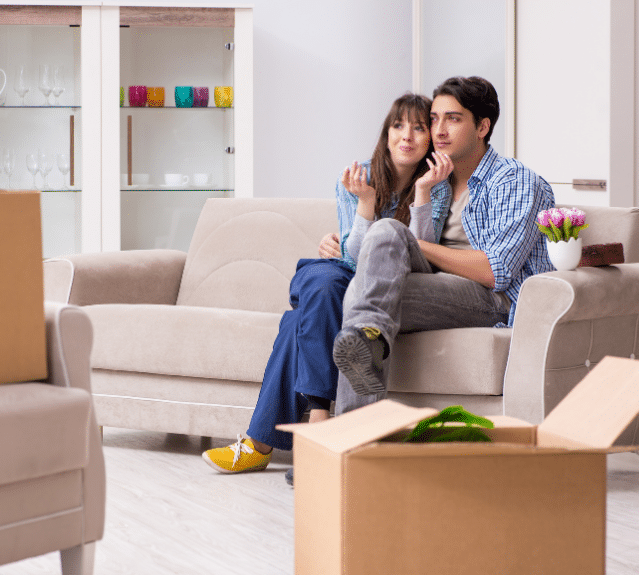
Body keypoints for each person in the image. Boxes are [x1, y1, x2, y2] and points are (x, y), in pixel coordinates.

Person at [202, 92, 452, 474]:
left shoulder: (438, 183)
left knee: (297, 319)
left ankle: (260, 442)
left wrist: (422, 194)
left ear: (430, 139)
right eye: (398, 126)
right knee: (321, 281)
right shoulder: (357, 177)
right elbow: (352, 258)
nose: (408, 136)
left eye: (419, 129)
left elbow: (423, 256)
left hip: (385, 285)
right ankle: (319, 416)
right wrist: (366, 202)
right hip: (345, 275)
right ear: (385, 134)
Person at [332, 76, 556, 413]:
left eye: (453, 119)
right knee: (366, 297)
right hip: (436, 286)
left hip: (492, 299)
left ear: (482, 127)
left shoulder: (514, 180)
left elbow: (497, 272)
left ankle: (353, 434)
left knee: (361, 293)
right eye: (434, 119)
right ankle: (368, 352)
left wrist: (414, 244)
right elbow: (381, 246)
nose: (438, 130)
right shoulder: (436, 178)